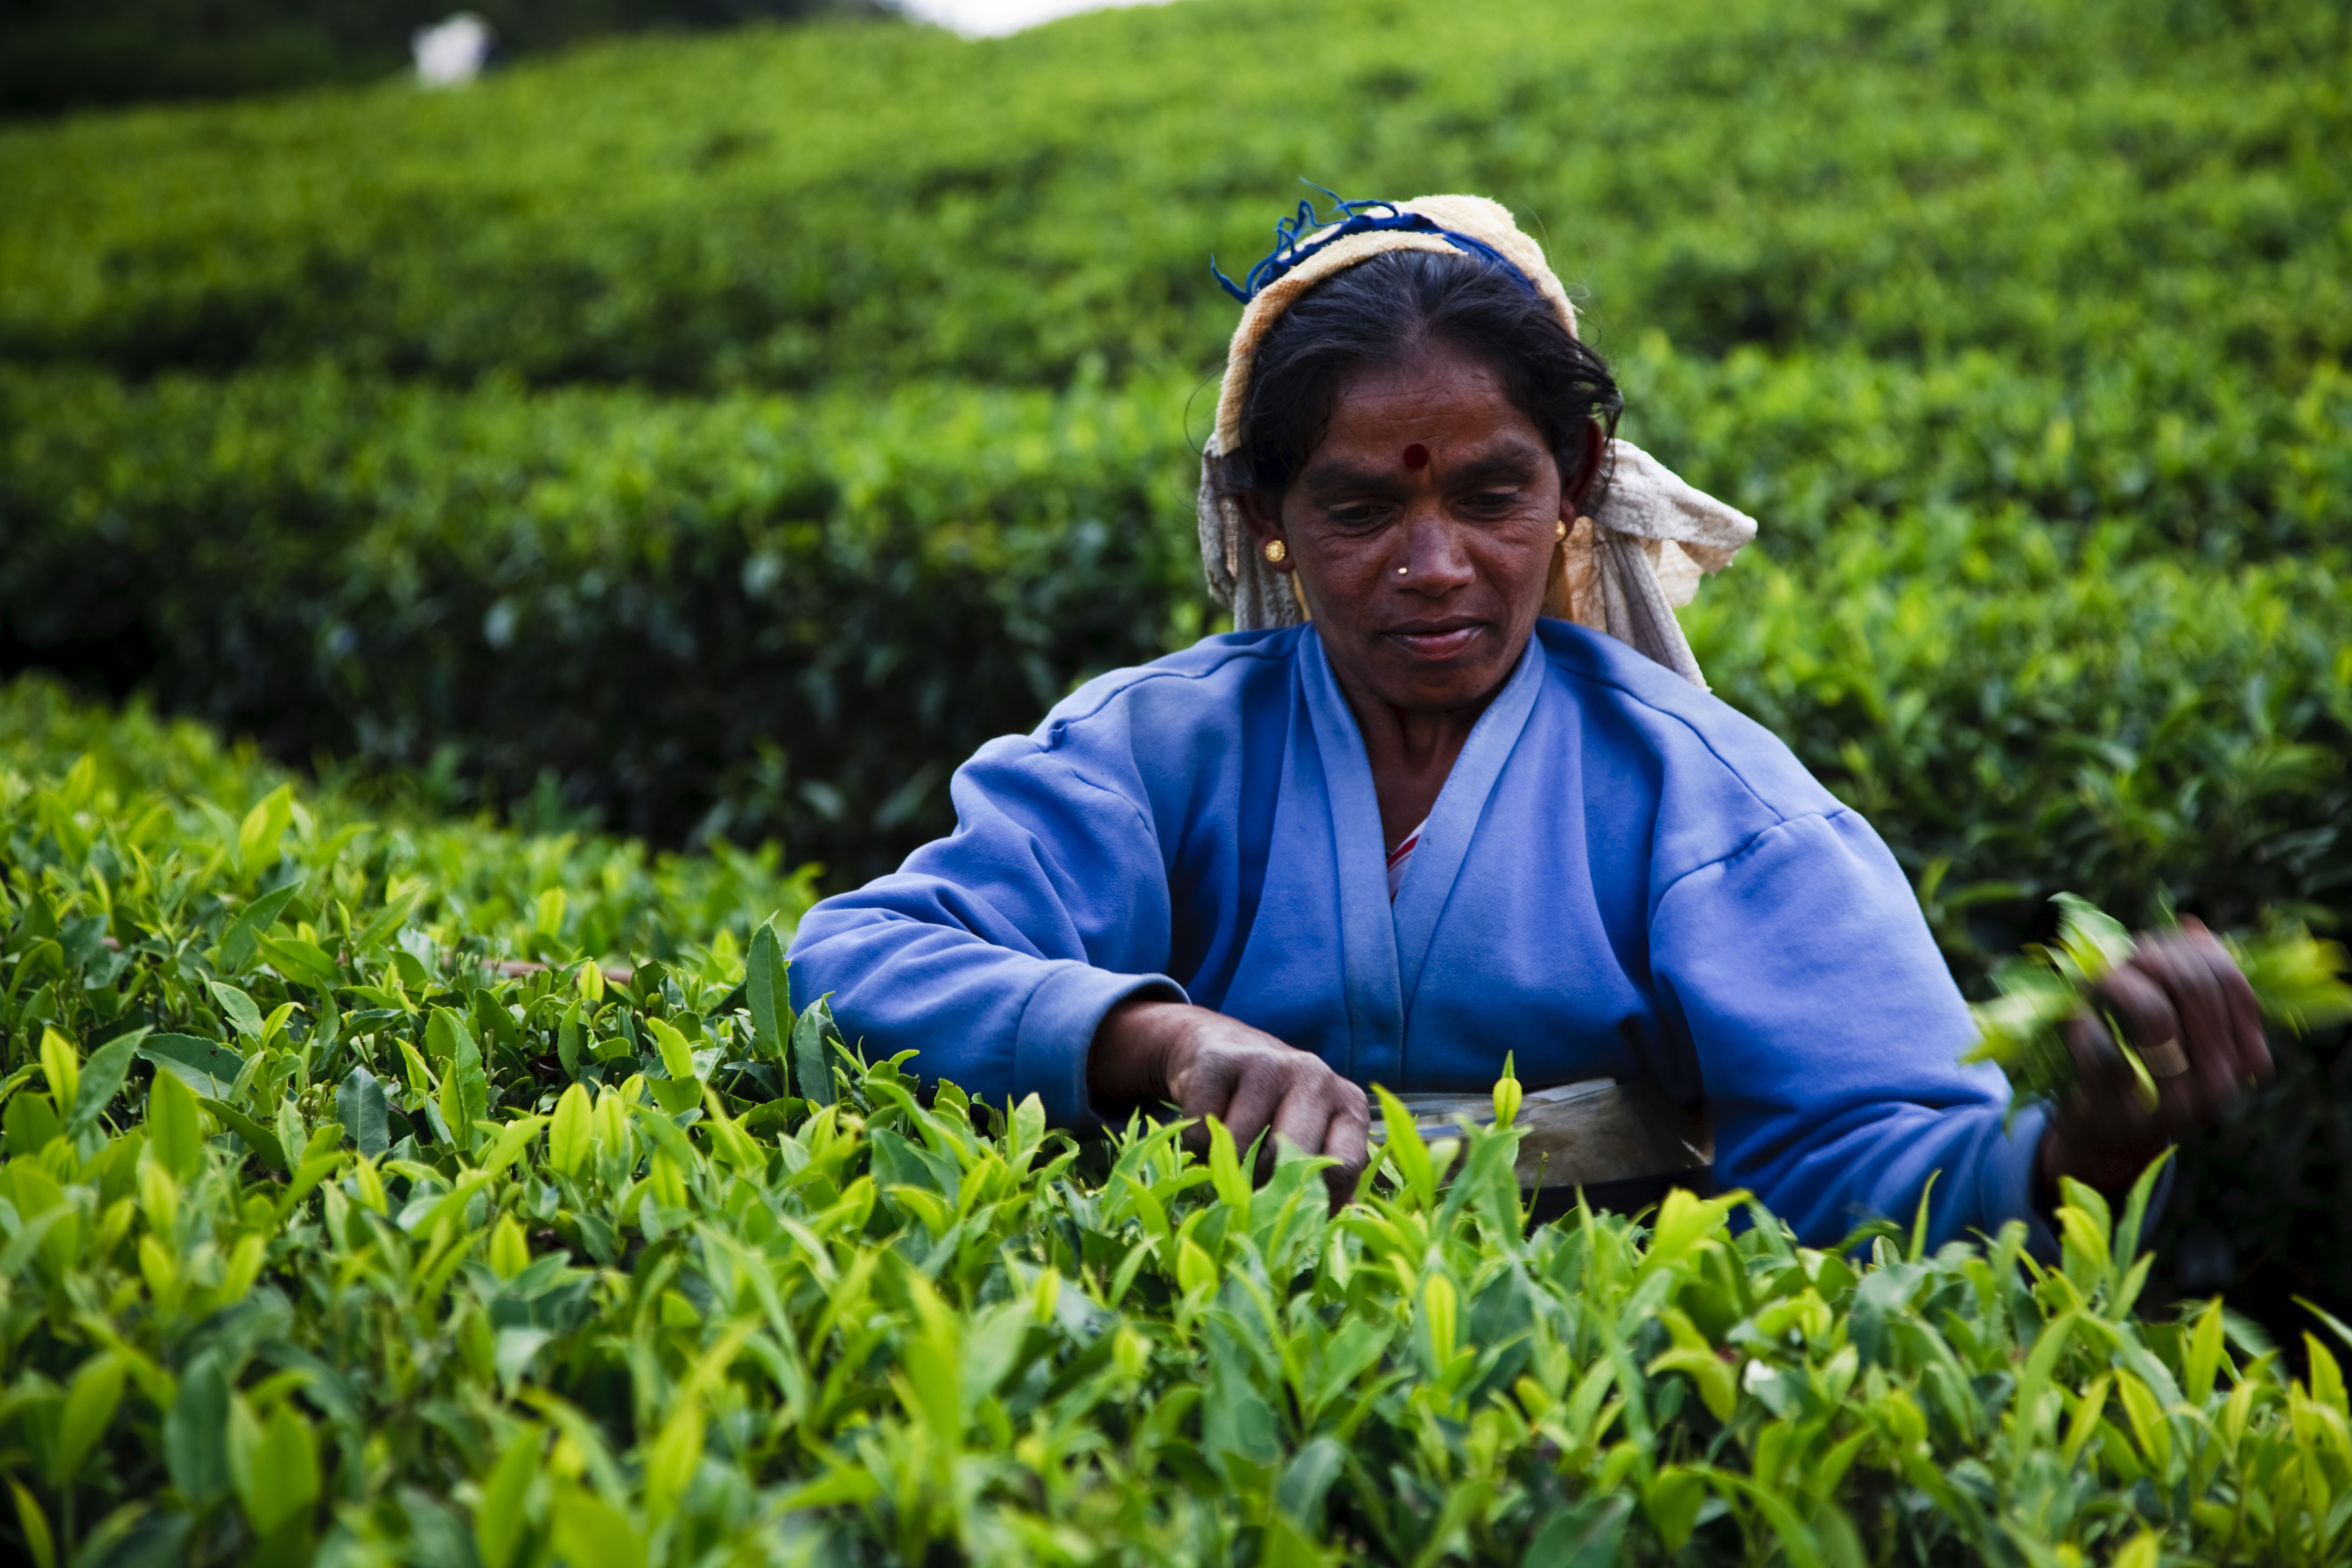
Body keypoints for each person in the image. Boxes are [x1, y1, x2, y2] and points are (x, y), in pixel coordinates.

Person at [787, 194, 2267, 1247]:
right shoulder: (1154, 755)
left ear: (1574, 478)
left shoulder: (1711, 806)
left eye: (1491, 495)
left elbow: (1885, 1163)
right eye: (1362, 508)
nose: (1435, 567)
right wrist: (1150, 1038)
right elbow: (852, 964)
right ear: (1272, 518)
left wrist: (2091, 1143)